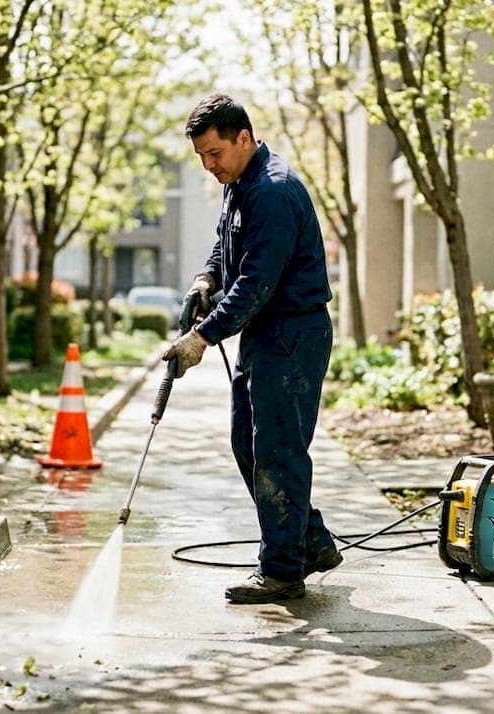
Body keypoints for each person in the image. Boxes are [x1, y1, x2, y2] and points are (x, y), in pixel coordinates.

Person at [163, 93, 342, 604]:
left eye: (214, 153)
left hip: (292, 336)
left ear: (244, 137)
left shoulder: (273, 191)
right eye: (201, 157)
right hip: (265, 335)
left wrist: (201, 337)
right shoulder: (239, 184)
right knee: (249, 444)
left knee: (279, 451)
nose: (209, 165)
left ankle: (282, 570)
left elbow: (256, 285)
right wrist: (205, 276)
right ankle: (308, 541)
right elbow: (227, 245)